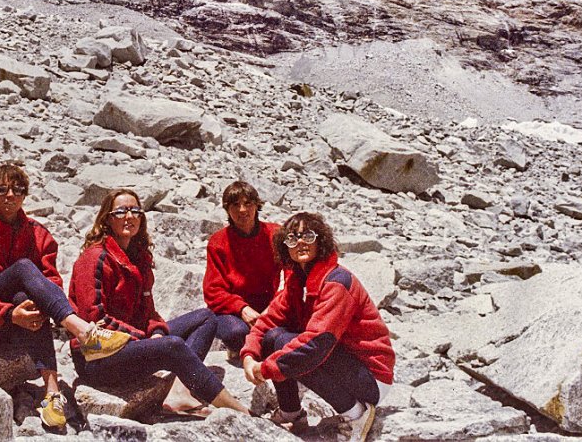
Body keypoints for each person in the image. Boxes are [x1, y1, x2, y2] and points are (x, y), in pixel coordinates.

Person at [0, 163, 130, 430]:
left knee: (26, 296)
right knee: (23, 268)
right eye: (2, 189)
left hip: (24, 318)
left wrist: (37, 308)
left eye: (18, 189)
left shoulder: (39, 233)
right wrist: (8, 314)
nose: (10, 195)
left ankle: (52, 392)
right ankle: (81, 330)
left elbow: (52, 279)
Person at [69, 189, 250, 417]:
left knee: (206, 318)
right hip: (96, 358)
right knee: (171, 345)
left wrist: (155, 330)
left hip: (130, 344)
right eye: (121, 211)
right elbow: (94, 320)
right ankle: (238, 410)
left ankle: (180, 392)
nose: (129, 216)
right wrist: (145, 338)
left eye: (135, 211)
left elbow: (149, 310)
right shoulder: (95, 258)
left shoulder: (138, 257)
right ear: (107, 218)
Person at [241, 212, 394, 442]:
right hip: (345, 364)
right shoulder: (298, 280)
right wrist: (249, 354)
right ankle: (291, 413)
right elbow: (268, 320)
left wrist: (266, 369)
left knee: (293, 346)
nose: (300, 242)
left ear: (320, 240)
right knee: (274, 336)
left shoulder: (336, 281)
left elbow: (316, 343)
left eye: (308, 236)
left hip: (372, 377)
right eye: (292, 239)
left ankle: (357, 414)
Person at [203, 181, 282, 360]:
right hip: (235, 311)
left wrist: (275, 306)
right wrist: (242, 308)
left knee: (278, 333)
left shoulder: (275, 234)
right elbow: (212, 291)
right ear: (227, 209)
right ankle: (245, 348)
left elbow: (290, 275)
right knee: (236, 332)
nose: (242, 210)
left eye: (248, 203)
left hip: (271, 305)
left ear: (256, 205)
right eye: (235, 205)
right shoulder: (218, 242)